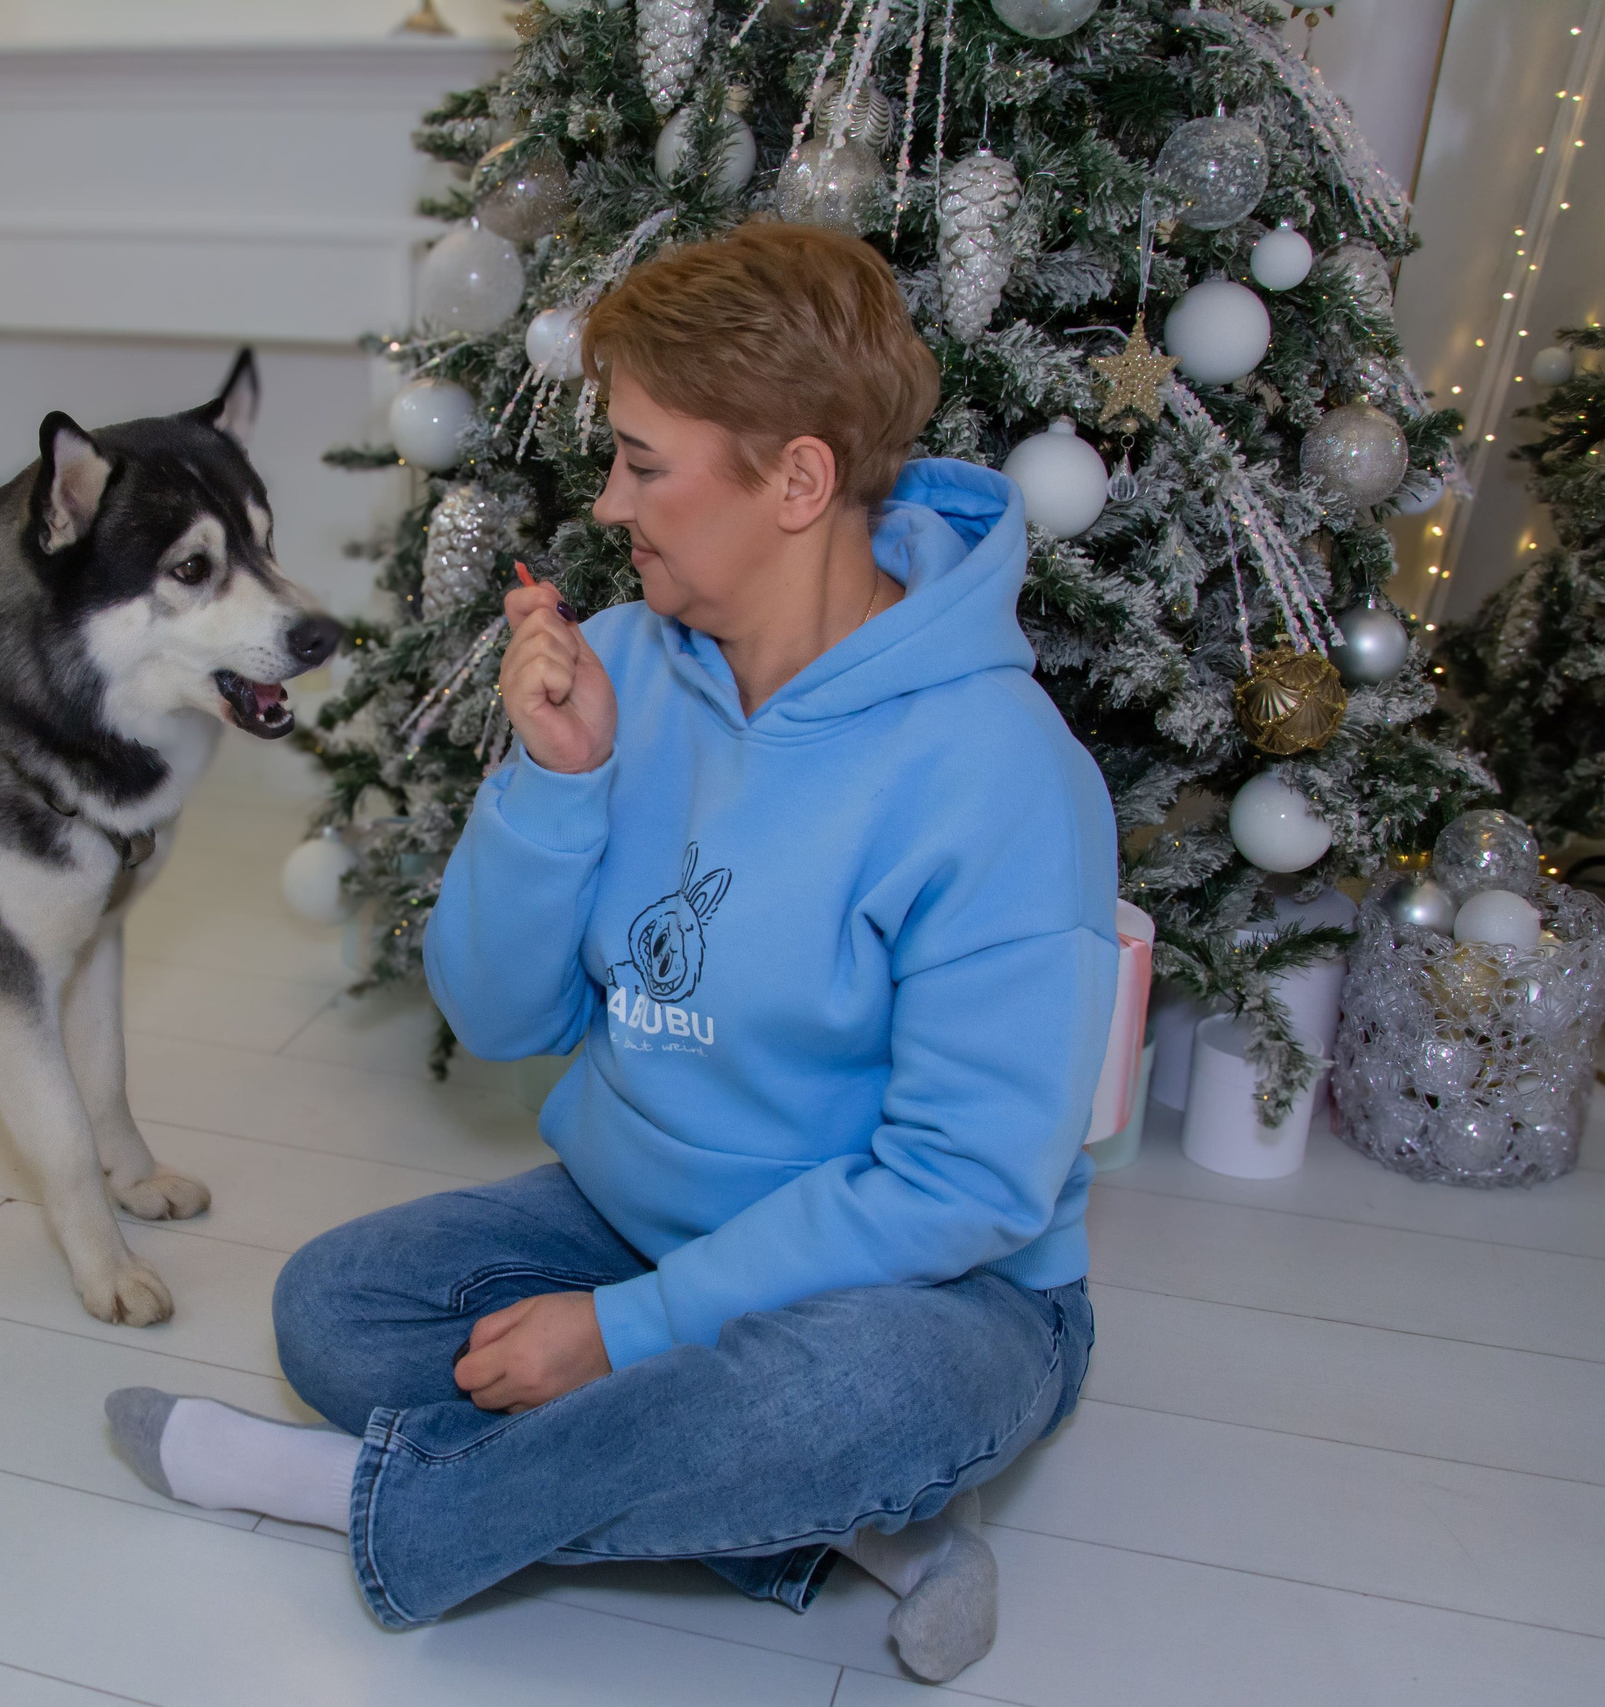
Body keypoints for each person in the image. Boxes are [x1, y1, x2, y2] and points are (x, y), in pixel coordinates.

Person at [104, 220, 1117, 1685]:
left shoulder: (1000, 775)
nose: (607, 499)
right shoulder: (630, 664)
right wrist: (560, 784)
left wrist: (629, 1334)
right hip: (640, 1216)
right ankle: (842, 1530)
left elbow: (964, 1187)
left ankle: (367, 1502)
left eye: (645, 461)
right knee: (335, 1312)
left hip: (943, 1293)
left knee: (850, 1395)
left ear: (799, 479)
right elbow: (499, 1016)